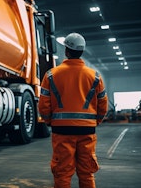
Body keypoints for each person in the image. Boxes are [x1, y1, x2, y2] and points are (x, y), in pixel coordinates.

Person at [38, 32, 108, 188]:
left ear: (66, 51)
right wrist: (95, 121)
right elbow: (103, 105)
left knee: (62, 172)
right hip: (87, 131)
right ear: (81, 51)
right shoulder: (95, 76)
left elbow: (43, 105)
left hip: (61, 131)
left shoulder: (51, 75)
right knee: (87, 172)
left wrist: (49, 121)